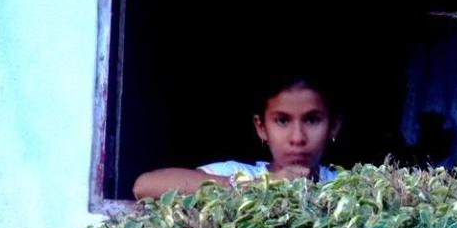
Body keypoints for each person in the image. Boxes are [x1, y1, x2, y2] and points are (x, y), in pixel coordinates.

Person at [132, 70, 342, 199]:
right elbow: (145, 186)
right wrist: (260, 185)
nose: (297, 137)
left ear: (333, 126)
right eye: (282, 120)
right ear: (261, 127)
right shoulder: (241, 175)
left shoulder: (350, 188)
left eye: (312, 120)